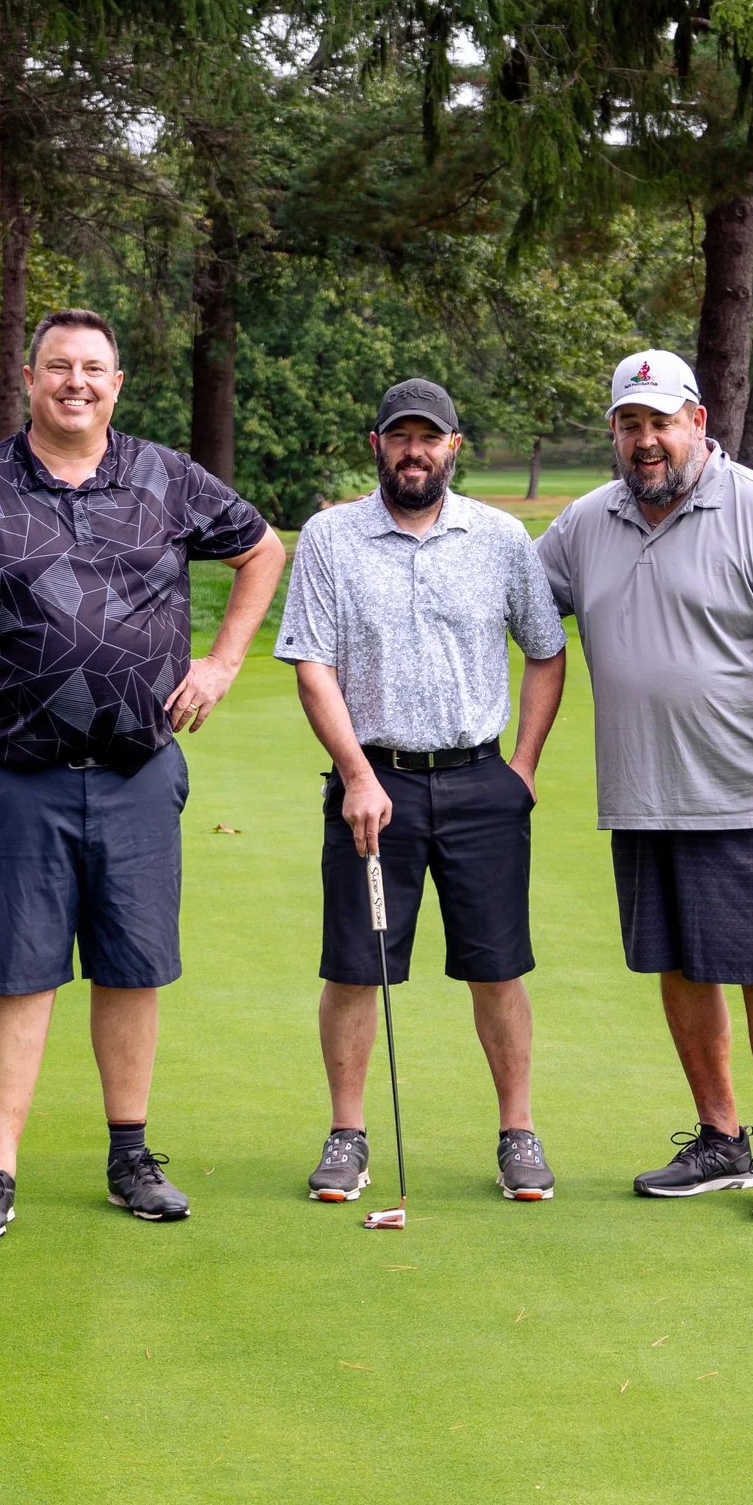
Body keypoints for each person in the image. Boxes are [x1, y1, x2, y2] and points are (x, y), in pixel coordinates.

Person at [0, 308, 287, 1239]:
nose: (76, 381)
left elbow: (261, 549)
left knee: (130, 967)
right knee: (19, 976)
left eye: (94, 368)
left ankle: (130, 1155)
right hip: (11, 769)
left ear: (117, 384)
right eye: (58, 366)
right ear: (28, 379)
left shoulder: (163, 475)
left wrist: (223, 661)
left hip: (136, 770)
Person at [536, 349, 753, 1223]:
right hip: (640, 793)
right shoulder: (587, 523)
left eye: (661, 422)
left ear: (698, 423)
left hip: (744, 788)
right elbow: (514, 594)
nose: (646, 441)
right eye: (630, 424)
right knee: (676, 964)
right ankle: (721, 1138)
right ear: (613, 432)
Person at [274, 379, 571, 1202]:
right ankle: (347, 1134)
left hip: (481, 781)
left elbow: (546, 650)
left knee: (498, 966)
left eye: (428, 438)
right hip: (373, 784)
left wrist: (525, 766)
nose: (414, 451)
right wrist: (359, 777)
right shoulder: (331, 539)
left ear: (453, 447)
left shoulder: (502, 537)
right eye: (399, 436)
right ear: (376, 443)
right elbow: (312, 666)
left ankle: (518, 1132)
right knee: (355, 967)